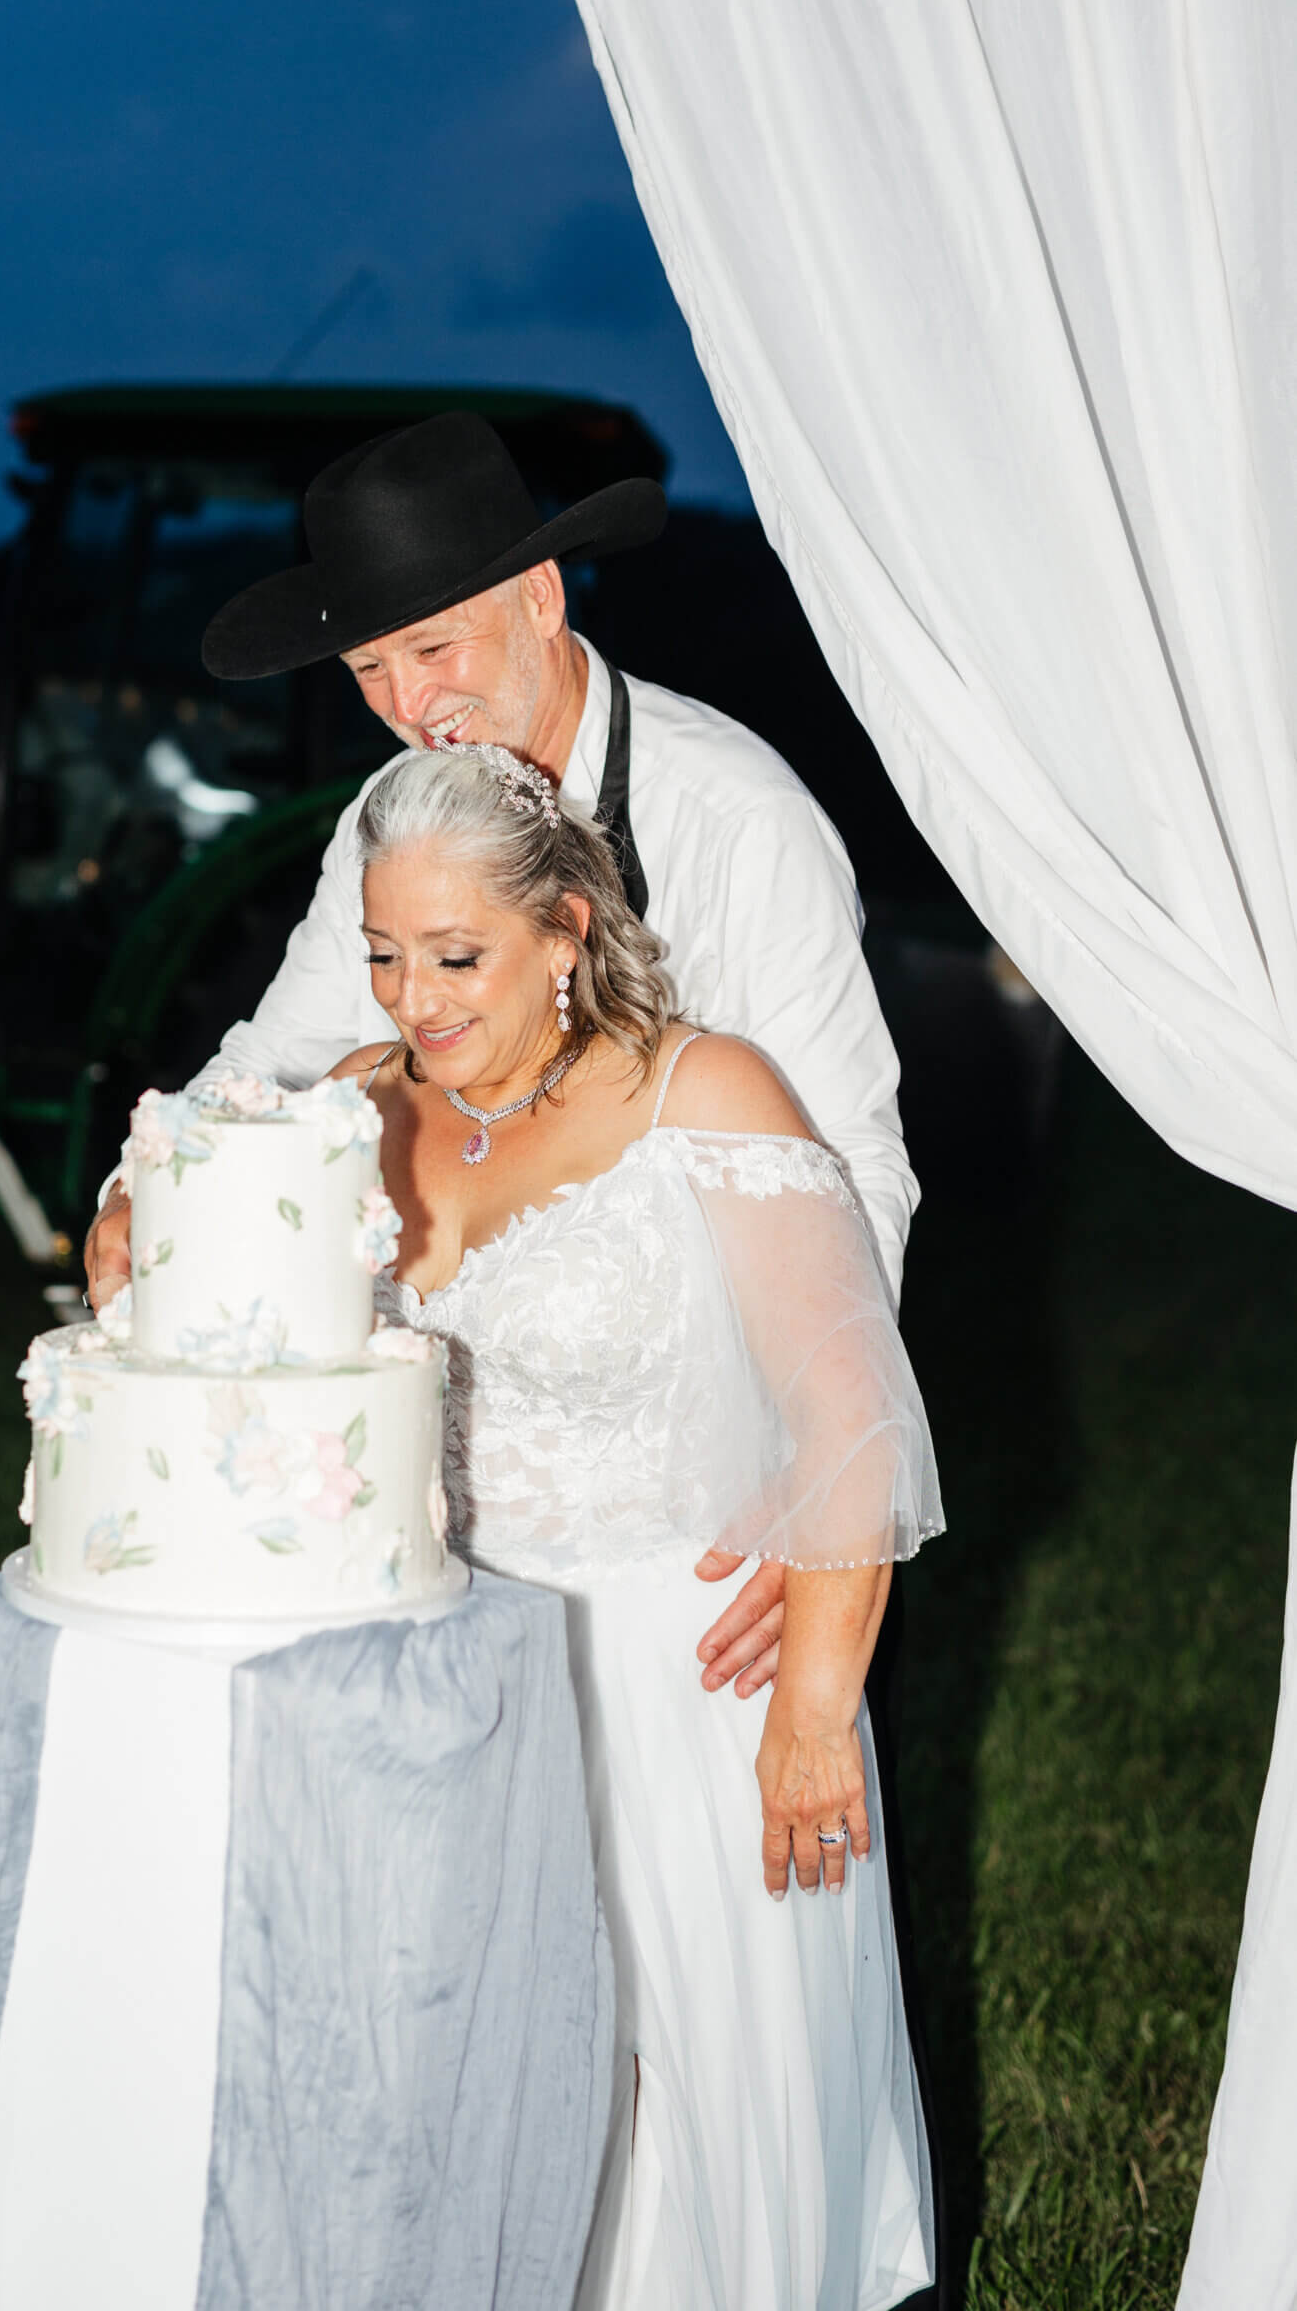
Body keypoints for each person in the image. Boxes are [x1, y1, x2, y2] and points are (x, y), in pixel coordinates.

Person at [85, 407, 919, 1710]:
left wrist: (815, 1473)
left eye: (433, 646)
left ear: (539, 597)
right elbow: (285, 1055)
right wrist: (150, 1184)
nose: (410, 708)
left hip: (680, 1475)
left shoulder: (739, 819)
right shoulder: (387, 813)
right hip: (443, 1486)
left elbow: (853, 1154)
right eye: (367, 669)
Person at [340, 741, 943, 2308]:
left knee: (705, 2091)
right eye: (385, 956)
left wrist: (814, 1711)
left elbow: (849, 1415)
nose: (416, 1001)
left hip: (688, 1687)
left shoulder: (708, 1092)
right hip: (448, 1680)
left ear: (567, 931)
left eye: (458, 956)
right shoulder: (352, 1109)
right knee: (470, 2090)